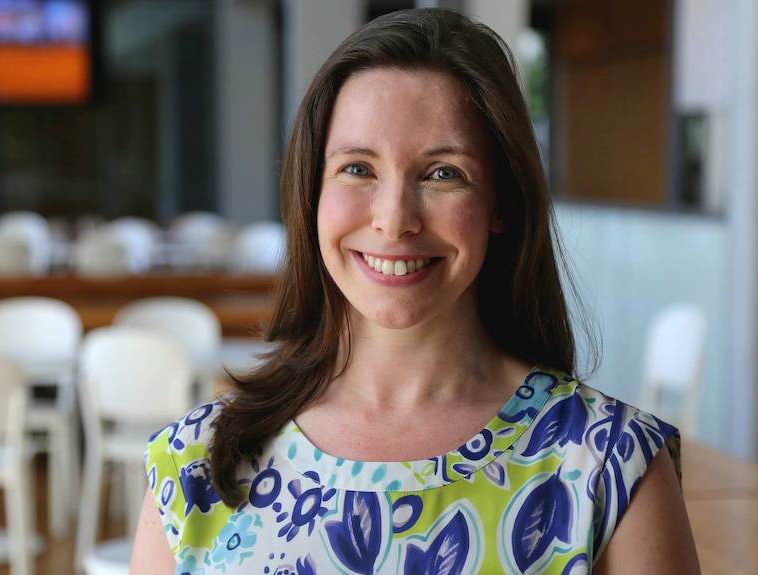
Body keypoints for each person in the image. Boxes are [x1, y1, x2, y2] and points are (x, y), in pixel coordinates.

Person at [130, 7, 700, 574]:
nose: (394, 219)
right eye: (358, 168)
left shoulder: (612, 467)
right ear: (311, 193)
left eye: (443, 173)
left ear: (500, 201)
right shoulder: (194, 466)